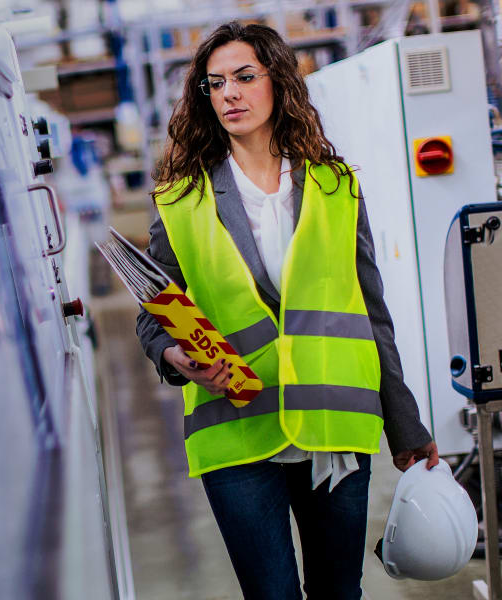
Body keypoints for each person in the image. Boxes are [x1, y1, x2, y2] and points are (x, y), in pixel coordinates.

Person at [136, 21, 439, 600]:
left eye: (245, 77)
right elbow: (154, 312)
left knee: (338, 592)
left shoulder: (335, 186)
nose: (229, 93)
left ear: (278, 82)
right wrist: (177, 356)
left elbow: (372, 312)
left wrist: (404, 421)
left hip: (333, 422)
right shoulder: (181, 200)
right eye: (215, 83)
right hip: (237, 429)